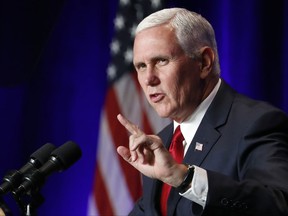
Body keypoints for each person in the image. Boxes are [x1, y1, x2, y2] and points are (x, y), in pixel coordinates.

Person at [116, 7, 288, 216]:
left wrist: (185, 178)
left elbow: (278, 206)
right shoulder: (162, 143)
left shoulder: (256, 123)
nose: (148, 79)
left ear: (204, 62)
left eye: (161, 61)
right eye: (141, 66)